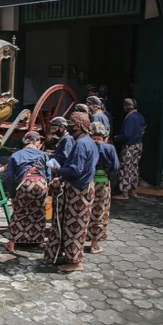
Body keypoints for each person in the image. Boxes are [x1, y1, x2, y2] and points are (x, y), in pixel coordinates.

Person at [44, 112, 98, 272]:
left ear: (79, 126)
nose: (69, 128)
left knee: (74, 226)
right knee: (72, 225)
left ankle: (75, 261)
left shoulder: (81, 144)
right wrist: (60, 179)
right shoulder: (89, 142)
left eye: (72, 125)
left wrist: (59, 170)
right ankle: (69, 256)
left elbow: (75, 169)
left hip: (78, 191)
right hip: (83, 187)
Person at [4, 131, 51, 253]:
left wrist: (13, 194)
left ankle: (12, 244)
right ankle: (39, 241)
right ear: (36, 142)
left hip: (24, 184)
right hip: (41, 183)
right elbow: (49, 174)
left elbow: (9, 177)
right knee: (39, 211)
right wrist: (47, 189)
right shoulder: (44, 155)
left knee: (19, 212)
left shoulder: (16, 155)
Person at [88, 122, 119, 254]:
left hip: (88, 181)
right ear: (104, 135)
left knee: (86, 211)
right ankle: (94, 245)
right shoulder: (109, 148)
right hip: (103, 182)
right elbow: (116, 166)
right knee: (99, 212)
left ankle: (80, 239)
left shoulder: (86, 146)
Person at [114, 98, 145, 200]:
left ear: (127, 107)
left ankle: (124, 193)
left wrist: (117, 138)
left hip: (130, 146)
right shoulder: (139, 116)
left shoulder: (131, 118)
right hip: (138, 145)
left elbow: (127, 134)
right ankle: (133, 190)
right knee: (134, 168)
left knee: (125, 168)